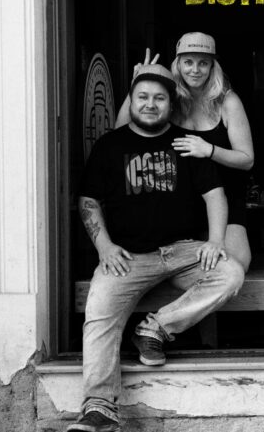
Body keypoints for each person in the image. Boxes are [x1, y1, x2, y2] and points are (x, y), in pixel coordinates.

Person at [70, 64, 244, 432]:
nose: (150, 104)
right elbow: (88, 200)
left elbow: (215, 195)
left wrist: (215, 241)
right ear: (132, 101)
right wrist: (104, 246)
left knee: (229, 273)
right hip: (127, 258)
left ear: (171, 104)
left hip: (182, 252)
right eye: (143, 97)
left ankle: (155, 328)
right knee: (99, 313)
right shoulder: (110, 146)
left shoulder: (185, 143)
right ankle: (99, 408)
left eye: (159, 98)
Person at [117, 31, 255, 272]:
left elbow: (247, 160)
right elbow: (120, 134)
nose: (195, 70)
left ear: (212, 67)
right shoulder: (170, 99)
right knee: (174, 271)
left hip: (225, 199)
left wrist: (209, 149)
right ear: (178, 64)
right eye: (188, 62)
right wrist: (137, 84)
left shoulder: (227, 101)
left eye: (203, 63)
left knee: (235, 265)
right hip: (178, 201)